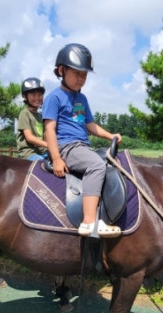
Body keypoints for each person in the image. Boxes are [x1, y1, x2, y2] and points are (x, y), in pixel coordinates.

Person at [42, 43, 122, 238]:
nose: (81, 79)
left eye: (84, 75)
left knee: (112, 164)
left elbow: (90, 125)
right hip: (67, 147)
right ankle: (88, 222)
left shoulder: (82, 99)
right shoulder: (54, 98)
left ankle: (103, 212)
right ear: (61, 70)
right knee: (96, 165)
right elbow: (49, 130)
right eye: (77, 74)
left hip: (83, 146)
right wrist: (56, 158)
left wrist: (110, 135)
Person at [16, 77, 48, 161]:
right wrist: (48, 144)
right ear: (25, 96)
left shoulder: (40, 116)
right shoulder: (25, 114)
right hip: (29, 152)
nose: (37, 98)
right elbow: (29, 137)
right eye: (33, 95)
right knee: (43, 168)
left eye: (40, 95)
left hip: (43, 152)